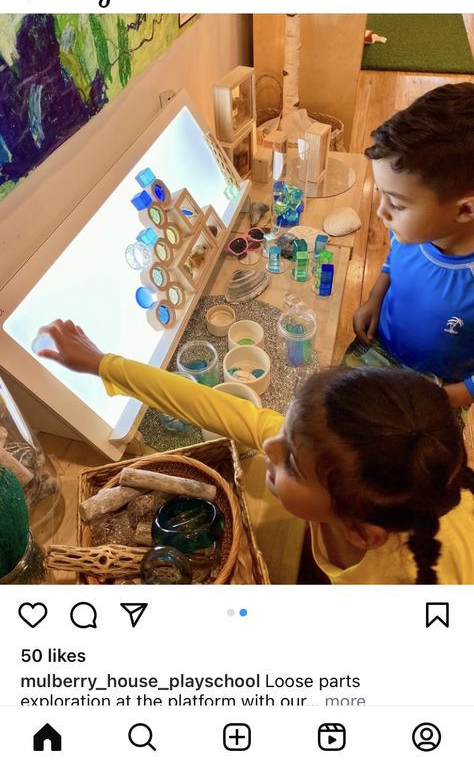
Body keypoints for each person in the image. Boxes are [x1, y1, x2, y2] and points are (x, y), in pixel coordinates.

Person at [39, 318, 474, 585]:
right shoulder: (332, 455)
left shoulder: (412, 585)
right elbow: (217, 408)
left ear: (360, 531)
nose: (267, 444)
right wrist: (102, 364)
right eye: (285, 430)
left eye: (292, 464)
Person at [345, 82, 474, 421]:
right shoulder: (410, 232)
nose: (381, 214)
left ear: (464, 211)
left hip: (437, 388)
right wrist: (375, 296)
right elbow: (394, 261)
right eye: (382, 196)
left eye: (397, 204)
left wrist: (444, 398)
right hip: (379, 347)